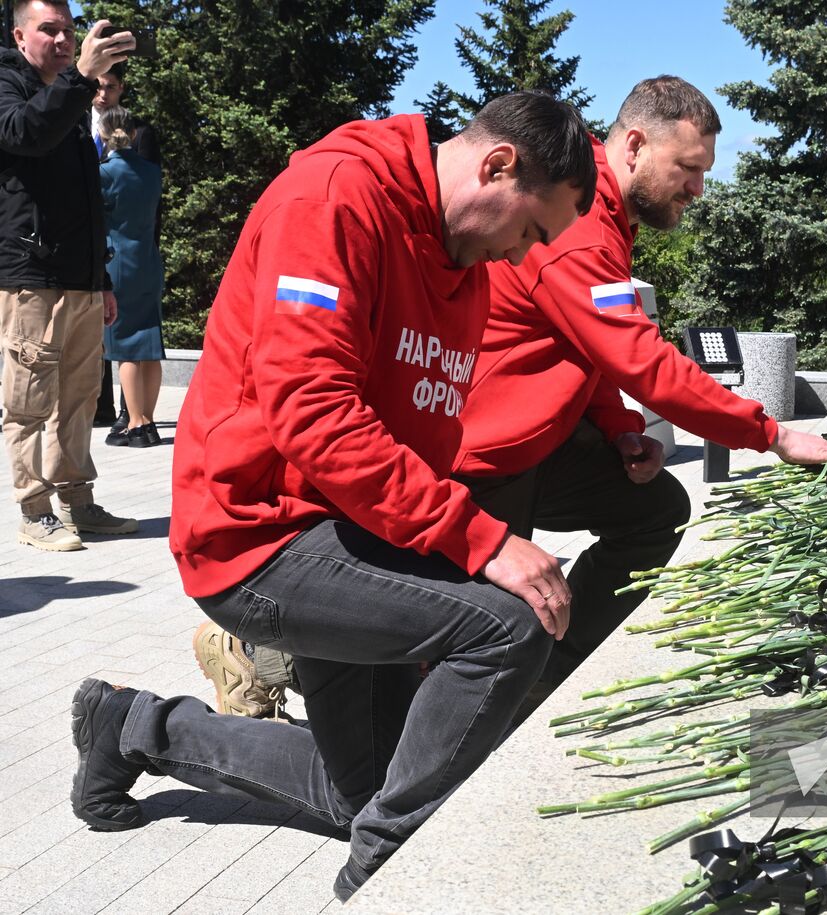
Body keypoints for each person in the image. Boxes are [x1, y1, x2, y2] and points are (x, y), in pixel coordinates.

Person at [194, 76, 827, 722]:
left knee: (648, 513)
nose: (698, 188)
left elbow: (585, 343)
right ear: (635, 146)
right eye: (688, 168)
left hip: (532, 440)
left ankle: (535, 681)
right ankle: (264, 654)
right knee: (470, 627)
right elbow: (640, 358)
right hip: (480, 451)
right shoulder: (568, 217)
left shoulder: (589, 211)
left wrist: (616, 424)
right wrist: (773, 435)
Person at [68, 91, 596, 902]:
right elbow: (311, 410)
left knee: (374, 787)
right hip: (258, 536)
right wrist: (482, 542)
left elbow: (426, 433)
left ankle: (134, 725)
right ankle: (386, 872)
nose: (521, 255)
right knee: (510, 625)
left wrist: (438, 578)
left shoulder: (466, 267)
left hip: (353, 537)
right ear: (498, 166)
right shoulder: (334, 200)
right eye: (531, 229)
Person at [0, 1, 138, 551]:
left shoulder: (72, 96)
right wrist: (79, 78)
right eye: (48, 30)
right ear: (19, 36)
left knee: (80, 398)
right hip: (31, 273)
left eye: (68, 30)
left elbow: (87, 199)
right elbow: (25, 134)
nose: (62, 40)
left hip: (81, 276)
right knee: (29, 400)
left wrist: (101, 277)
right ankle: (34, 512)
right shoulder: (9, 84)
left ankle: (78, 502)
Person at [89, 64, 160, 430]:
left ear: (104, 134)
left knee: (126, 348)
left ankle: (134, 423)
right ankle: (147, 419)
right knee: (149, 346)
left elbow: (94, 217)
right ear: (132, 134)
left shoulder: (104, 172)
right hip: (148, 260)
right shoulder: (152, 172)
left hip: (117, 262)